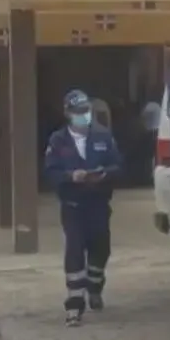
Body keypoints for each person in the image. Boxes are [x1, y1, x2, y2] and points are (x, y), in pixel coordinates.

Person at [43, 90, 122, 327]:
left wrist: (104, 174)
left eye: (86, 111)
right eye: (78, 112)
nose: (83, 116)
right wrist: (70, 176)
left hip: (98, 203)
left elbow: (119, 165)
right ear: (68, 113)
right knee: (75, 250)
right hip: (73, 205)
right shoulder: (58, 141)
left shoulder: (103, 137)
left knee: (100, 248)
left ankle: (95, 286)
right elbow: (50, 172)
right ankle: (74, 304)